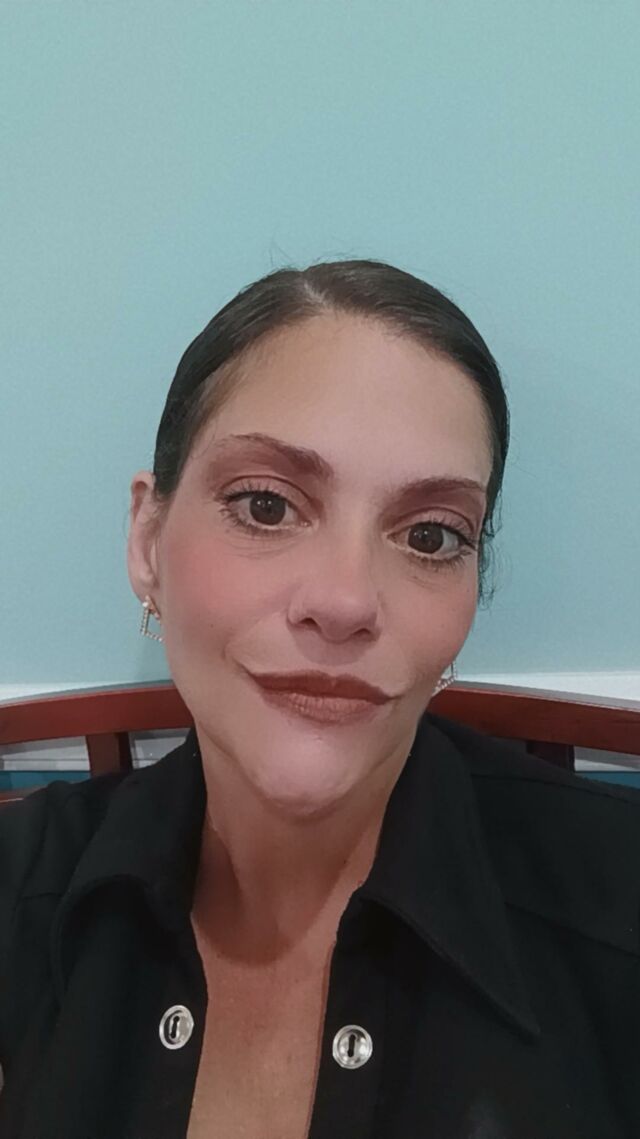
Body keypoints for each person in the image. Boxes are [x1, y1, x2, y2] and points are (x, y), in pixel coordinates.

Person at [1, 259, 639, 1139]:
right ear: (148, 538)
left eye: (430, 535)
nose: (344, 601)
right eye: (266, 505)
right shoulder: (23, 892)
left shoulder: (617, 908)